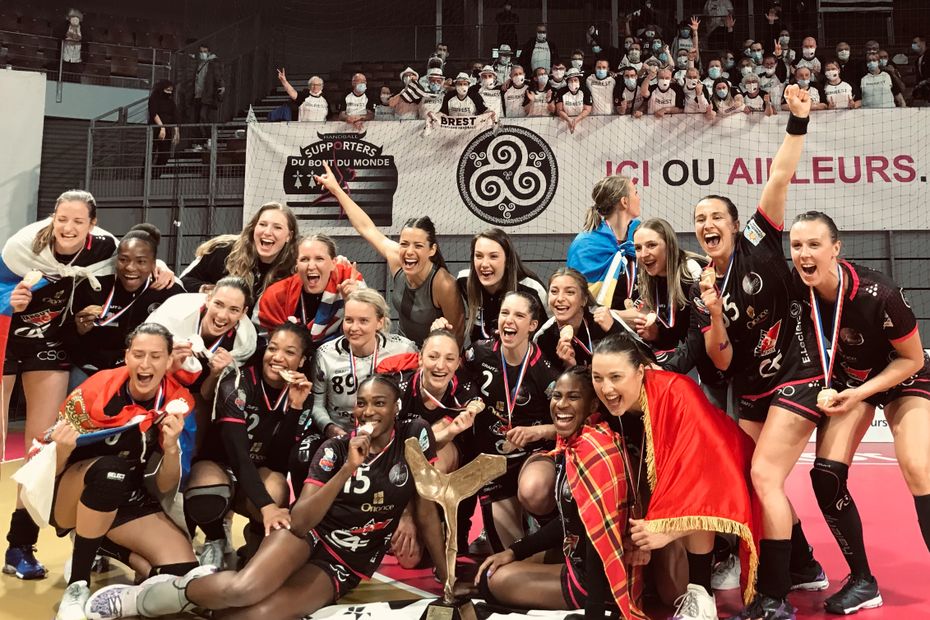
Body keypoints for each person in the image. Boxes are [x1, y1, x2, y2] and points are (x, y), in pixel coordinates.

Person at [85, 374, 447, 620]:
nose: (368, 412)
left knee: (254, 614)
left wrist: (446, 578)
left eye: (379, 403)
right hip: (309, 536)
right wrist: (347, 470)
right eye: (362, 403)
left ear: (397, 408)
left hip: (347, 560)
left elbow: (428, 511)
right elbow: (302, 520)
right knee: (243, 589)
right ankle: (149, 597)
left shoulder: (415, 436)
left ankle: (198, 591)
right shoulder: (335, 449)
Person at [692, 85, 829, 619]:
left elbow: (779, 177)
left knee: (765, 478)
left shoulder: (759, 239)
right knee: (743, 474)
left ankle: (774, 595)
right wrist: (715, 314)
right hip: (753, 390)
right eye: (699, 220)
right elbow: (722, 363)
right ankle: (803, 565)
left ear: (733, 224)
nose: (706, 226)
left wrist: (797, 122)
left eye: (715, 218)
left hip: (799, 374)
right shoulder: (704, 286)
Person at [789, 211, 930, 612]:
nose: (804, 254)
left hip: (901, 377)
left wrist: (860, 392)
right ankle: (864, 581)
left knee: (918, 467)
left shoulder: (878, 293)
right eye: (796, 246)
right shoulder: (798, 291)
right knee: (825, 477)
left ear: (836, 249)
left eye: (814, 244)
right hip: (851, 382)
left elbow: (913, 359)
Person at [2, 190, 143, 580]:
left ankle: (19, 546)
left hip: (48, 346)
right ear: (52, 217)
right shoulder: (22, 246)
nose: (67, 227)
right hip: (5, 341)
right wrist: (5, 299)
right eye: (61, 219)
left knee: (41, 450)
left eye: (78, 221)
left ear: (92, 225)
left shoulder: (104, 249)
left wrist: (159, 268)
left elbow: (133, 263)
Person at [591, 332, 761, 620]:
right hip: (675, 490)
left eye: (616, 377)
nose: (606, 388)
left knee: (675, 585)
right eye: (597, 378)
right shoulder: (608, 403)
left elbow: (706, 476)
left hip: (728, 472)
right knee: (668, 592)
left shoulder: (677, 394)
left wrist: (665, 530)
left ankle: (702, 593)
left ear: (640, 372)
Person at [47, 323, 197, 619]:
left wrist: (170, 448)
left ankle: (107, 553)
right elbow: (46, 467)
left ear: (169, 361)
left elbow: (165, 486)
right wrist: (62, 450)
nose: (145, 364)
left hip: (131, 497)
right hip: (73, 494)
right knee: (111, 471)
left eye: (155, 356)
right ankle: (78, 584)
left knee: (182, 573)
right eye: (138, 354)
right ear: (126, 357)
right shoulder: (94, 390)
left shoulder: (179, 404)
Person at [478, 366, 644, 619]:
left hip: (598, 578)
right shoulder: (582, 440)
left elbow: (600, 537)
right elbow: (574, 520)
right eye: (557, 395)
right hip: (577, 554)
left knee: (493, 580)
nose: (562, 404)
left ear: (592, 406)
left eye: (573, 397)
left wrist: (594, 610)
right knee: (497, 564)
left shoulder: (594, 449)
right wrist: (515, 550)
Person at [186, 322, 314, 570]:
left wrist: (295, 409)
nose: (277, 358)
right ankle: (215, 539)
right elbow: (237, 452)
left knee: (277, 487)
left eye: (289, 352)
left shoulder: (302, 393)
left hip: (255, 472)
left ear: (301, 361)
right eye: (272, 348)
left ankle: (254, 541)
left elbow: (278, 462)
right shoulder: (236, 382)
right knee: (206, 491)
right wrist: (266, 507)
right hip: (220, 464)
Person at [312, 161, 464, 345]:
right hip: (403, 349)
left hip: (433, 356)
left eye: (418, 246)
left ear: (432, 250)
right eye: (404, 244)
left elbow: (457, 333)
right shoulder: (397, 258)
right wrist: (337, 190)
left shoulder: (444, 284)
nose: (409, 252)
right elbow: (366, 228)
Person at [462, 292, 559, 551]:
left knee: (533, 491)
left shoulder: (545, 371)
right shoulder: (478, 353)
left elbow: (568, 427)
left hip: (532, 454)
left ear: (533, 325)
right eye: (505, 313)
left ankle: (548, 523)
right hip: (492, 464)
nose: (509, 320)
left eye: (519, 315)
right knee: (511, 553)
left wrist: (537, 431)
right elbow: (455, 384)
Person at [146, 276, 257, 462]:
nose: (222, 316)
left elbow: (206, 395)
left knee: (195, 420)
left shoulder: (243, 343)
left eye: (234, 310)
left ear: (244, 312)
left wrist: (216, 374)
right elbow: (139, 358)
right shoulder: (175, 313)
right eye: (219, 304)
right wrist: (166, 360)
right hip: (157, 380)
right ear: (207, 298)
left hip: (195, 394)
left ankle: (180, 473)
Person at [67, 225, 183, 388]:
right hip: (92, 368)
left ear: (153, 264)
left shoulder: (169, 290)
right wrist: (78, 330)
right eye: (123, 259)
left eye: (141, 261)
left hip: (143, 371)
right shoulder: (94, 285)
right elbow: (66, 338)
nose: (130, 267)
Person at [310, 289, 419, 439]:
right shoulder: (325, 354)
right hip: (341, 435)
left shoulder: (404, 349)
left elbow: (417, 394)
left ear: (380, 322)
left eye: (363, 321)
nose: (354, 328)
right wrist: (330, 429)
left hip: (390, 435)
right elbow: (317, 405)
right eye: (349, 320)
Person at [258, 234, 363, 357]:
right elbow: (266, 346)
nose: (311, 266)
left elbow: (369, 331)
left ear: (333, 263)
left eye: (319, 259)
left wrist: (353, 302)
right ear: (296, 264)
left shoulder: (349, 282)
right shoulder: (276, 295)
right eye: (304, 259)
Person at [180, 202, 298, 304]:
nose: (267, 232)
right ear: (254, 228)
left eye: (277, 227)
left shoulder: (296, 266)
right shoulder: (223, 250)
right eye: (262, 224)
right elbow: (184, 281)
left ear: (289, 236)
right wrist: (211, 290)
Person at [457, 228, 548, 345]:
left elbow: (550, 331)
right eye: (479, 256)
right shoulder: (464, 281)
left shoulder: (532, 290)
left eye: (493, 256)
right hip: (480, 359)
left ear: (507, 260)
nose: (484, 264)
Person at [567, 175, 641, 310]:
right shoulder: (584, 245)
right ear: (624, 201)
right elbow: (575, 299)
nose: (639, 198)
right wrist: (619, 317)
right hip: (599, 325)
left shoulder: (641, 235)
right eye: (635, 193)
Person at [534, 267, 619, 369]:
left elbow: (639, 357)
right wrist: (570, 366)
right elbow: (549, 383)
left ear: (584, 300)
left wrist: (614, 329)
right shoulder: (544, 337)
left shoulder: (604, 320)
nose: (560, 298)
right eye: (554, 291)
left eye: (570, 292)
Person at [191, 44, 224, 151]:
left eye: (204, 51)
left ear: (209, 52)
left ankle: (209, 138)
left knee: (203, 116)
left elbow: (218, 77)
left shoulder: (214, 63)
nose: (202, 54)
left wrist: (221, 86)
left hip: (207, 95)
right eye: (201, 51)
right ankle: (199, 142)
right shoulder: (200, 64)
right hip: (197, 95)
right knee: (196, 119)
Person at [148, 81, 178, 176]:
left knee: (164, 155)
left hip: (167, 129)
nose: (169, 92)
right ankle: (146, 175)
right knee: (150, 153)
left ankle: (156, 175)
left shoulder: (171, 102)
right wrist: (162, 127)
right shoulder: (154, 99)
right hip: (155, 129)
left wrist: (176, 132)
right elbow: (154, 113)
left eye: (171, 91)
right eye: (167, 90)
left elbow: (175, 116)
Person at [555, 67, 592, 133]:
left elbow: (587, 109)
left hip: (583, 121)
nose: (573, 82)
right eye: (570, 80)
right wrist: (569, 120)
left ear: (579, 81)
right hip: (564, 122)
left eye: (575, 80)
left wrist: (576, 120)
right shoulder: (561, 92)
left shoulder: (585, 91)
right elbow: (559, 110)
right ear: (567, 81)